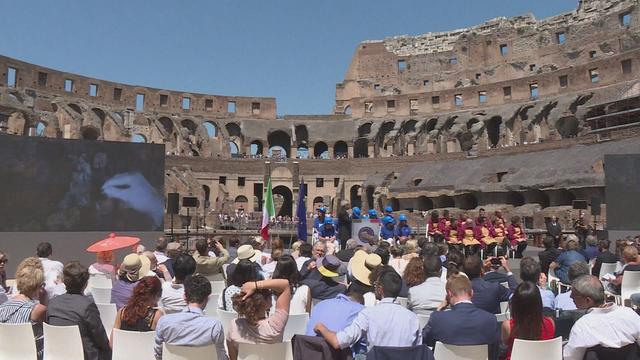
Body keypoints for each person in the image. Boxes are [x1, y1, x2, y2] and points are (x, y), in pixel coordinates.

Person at [314, 269, 422, 351]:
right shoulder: (413, 318)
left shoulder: (369, 314)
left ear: (380, 289)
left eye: (375, 285)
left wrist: (321, 328)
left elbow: (339, 342)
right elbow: (417, 351)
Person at [563, 275, 640, 360]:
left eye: (574, 295)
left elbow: (571, 357)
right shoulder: (628, 313)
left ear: (588, 300)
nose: (570, 297)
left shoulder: (582, 325)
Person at [422, 275, 500, 357]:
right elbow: (495, 352)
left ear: (449, 294)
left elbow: (422, 340)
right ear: (472, 293)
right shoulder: (490, 320)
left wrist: (439, 309)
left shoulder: (437, 318)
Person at [47, 261, 111, 360]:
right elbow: (101, 339)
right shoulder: (87, 306)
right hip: (84, 355)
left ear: (64, 282)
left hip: (58, 354)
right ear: (85, 284)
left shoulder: (52, 303)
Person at [154, 274, 228, 360]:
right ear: (207, 299)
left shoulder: (164, 322)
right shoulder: (214, 326)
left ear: (184, 296)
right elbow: (221, 357)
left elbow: (158, 354)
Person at [227, 279, 292, 360]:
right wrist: (255, 285)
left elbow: (233, 357)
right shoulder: (275, 326)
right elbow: (285, 285)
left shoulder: (235, 326)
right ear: (264, 302)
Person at [0, 257, 46, 358]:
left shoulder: (2, 308)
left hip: (7, 355)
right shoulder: (37, 309)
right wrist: (43, 299)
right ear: (37, 286)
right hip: (32, 355)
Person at [501, 282, 555, 360]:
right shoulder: (550, 323)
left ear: (516, 304)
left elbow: (505, 343)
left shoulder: (508, 326)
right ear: (538, 303)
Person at [112, 276, 163, 343]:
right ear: (156, 295)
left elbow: (112, 343)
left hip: (124, 352)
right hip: (146, 353)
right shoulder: (157, 316)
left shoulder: (122, 312)